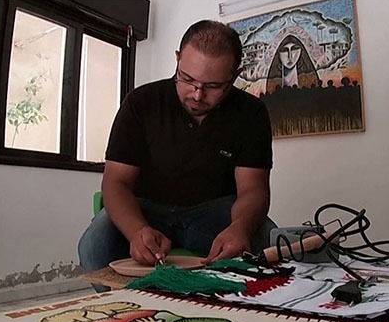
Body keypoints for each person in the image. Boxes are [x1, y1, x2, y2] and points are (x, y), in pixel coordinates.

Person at [78, 20, 276, 290]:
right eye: (187, 79)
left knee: (268, 238)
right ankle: (125, 306)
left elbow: (253, 190)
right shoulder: (141, 103)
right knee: (94, 242)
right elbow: (115, 182)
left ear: (235, 75)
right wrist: (137, 231)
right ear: (178, 59)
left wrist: (240, 227)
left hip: (215, 213)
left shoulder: (251, 113)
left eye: (213, 86)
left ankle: (240, 305)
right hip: (146, 210)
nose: (197, 94)